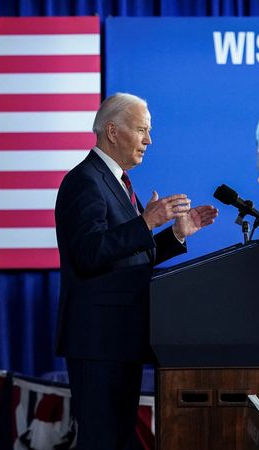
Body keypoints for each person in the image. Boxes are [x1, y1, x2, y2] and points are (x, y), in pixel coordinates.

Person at [54, 92, 218, 450]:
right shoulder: (84, 181)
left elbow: (127, 258)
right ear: (112, 131)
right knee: (101, 441)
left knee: (120, 438)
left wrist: (175, 234)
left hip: (120, 339)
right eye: (142, 130)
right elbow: (89, 253)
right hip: (97, 342)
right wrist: (145, 222)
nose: (149, 140)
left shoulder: (117, 182)